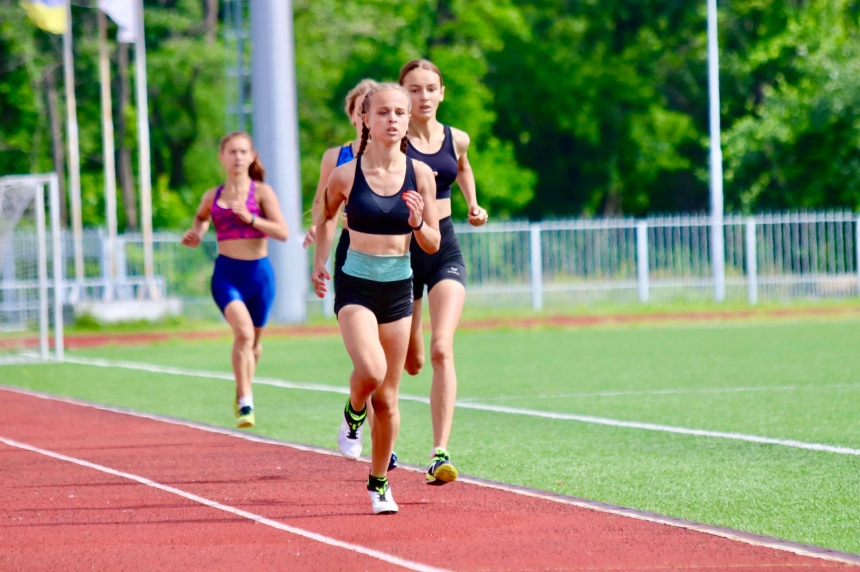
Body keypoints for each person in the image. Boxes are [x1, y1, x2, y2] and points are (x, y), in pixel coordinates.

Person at [312, 83, 439, 514]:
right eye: (383, 113)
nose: (393, 120)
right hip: (355, 284)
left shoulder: (420, 174)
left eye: (400, 113)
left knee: (387, 398)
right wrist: (320, 261)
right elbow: (327, 216)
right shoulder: (345, 174)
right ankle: (352, 413)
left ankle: (379, 481)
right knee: (370, 370)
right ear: (365, 118)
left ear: (407, 120)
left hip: (398, 285)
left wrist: (420, 223)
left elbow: (433, 243)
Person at [399, 59, 489, 485]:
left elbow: (463, 166)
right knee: (411, 361)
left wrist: (473, 202)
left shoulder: (457, 137)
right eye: (414, 90)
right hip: (402, 251)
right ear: (403, 95)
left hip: (445, 245)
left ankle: (440, 453)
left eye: (430, 88)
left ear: (442, 91)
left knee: (441, 349)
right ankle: (385, 432)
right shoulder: (392, 142)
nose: (424, 97)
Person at [304, 79, 400, 472]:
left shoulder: (403, 156)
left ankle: (381, 439)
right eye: (369, 110)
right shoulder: (339, 160)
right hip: (355, 259)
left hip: (397, 267)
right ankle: (366, 431)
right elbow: (323, 209)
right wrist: (319, 255)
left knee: (396, 371)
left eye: (389, 111)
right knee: (370, 364)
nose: (377, 118)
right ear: (356, 116)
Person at [182, 132, 289, 429]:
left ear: (252, 156)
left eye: (243, 152)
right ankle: (246, 401)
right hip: (227, 275)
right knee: (242, 334)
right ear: (222, 157)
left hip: (260, 276)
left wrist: (251, 218)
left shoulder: (262, 193)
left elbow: (283, 232)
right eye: (232, 152)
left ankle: (242, 387)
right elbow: (202, 217)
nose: (238, 157)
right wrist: (198, 233)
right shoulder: (212, 196)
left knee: (254, 344)